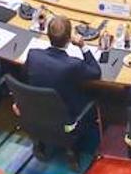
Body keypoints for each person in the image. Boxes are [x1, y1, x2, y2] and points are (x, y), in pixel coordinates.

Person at [24, 16, 101, 145]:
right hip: (67, 121)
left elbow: (24, 77)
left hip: (38, 112)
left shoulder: (33, 55)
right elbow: (96, 72)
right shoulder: (73, 65)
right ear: (69, 38)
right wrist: (83, 46)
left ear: (48, 35)